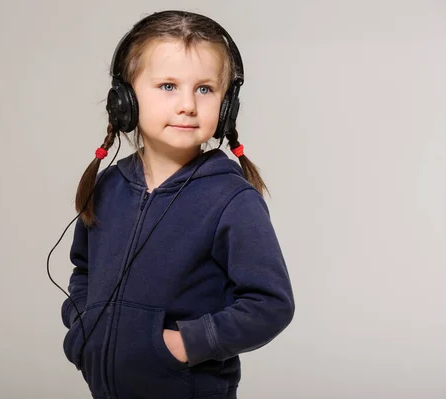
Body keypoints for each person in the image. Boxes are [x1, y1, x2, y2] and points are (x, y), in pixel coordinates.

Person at [60, 10, 295, 399]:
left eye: (204, 89)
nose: (187, 104)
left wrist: (185, 344)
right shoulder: (108, 187)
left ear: (227, 105)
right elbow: (84, 270)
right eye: (168, 86)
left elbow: (270, 304)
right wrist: (84, 326)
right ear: (125, 99)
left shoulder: (231, 199)